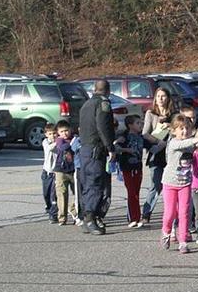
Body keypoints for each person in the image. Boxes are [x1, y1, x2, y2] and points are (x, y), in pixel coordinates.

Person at [159, 115, 198, 254]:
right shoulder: (173, 142)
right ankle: (166, 232)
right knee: (170, 212)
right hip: (170, 182)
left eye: (187, 128)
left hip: (185, 183)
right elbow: (183, 144)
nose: (184, 131)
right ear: (174, 131)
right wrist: (197, 139)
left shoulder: (191, 143)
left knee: (184, 212)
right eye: (181, 129)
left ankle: (183, 241)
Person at [79, 80, 115, 235]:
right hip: (96, 149)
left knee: (87, 184)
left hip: (85, 148)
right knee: (96, 183)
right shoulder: (103, 103)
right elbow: (102, 126)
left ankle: (87, 218)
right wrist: (110, 147)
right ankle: (90, 218)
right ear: (108, 90)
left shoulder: (86, 104)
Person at [141, 87, 175, 224]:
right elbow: (145, 133)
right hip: (156, 152)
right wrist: (158, 141)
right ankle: (146, 213)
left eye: (163, 96)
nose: (161, 99)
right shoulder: (151, 113)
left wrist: (170, 127)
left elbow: (180, 132)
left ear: (168, 98)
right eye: (158, 96)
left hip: (170, 154)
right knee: (155, 184)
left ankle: (172, 214)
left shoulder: (174, 114)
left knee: (171, 186)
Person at [115, 115, 145, 228]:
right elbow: (115, 147)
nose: (140, 125)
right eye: (138, 123)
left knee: (136, 192)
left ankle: (137, 217)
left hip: (138, 167)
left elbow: (152, 146)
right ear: (130, 125)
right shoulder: (124, 136)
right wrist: (126, 149)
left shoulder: (141, 137)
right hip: (127, 167)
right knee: (131, 192)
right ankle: (133, 217)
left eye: (141, 123)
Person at [52, 120, 77, 226]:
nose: (64, 133)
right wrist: (72, 143)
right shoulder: (59, 141)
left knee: (77, 193)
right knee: (62, 193)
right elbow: (63, 147)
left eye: (66, 131)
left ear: (70, 130)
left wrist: (75, 140)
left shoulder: (75, 138)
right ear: (58, 133)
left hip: (74, 170)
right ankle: (62, 217)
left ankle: (75, 211)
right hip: (61, 171)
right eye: (61, 131)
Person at [41, 123, 58, 224]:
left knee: (53, 195)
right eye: (50, 133)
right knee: (46, 194)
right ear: (46, 134)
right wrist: (58, 141)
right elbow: (50, 148)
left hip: (55, 172)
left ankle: (53, 214)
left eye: (54, 133)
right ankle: (48, 207)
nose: (52, 136)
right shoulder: (45, 142)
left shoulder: (60, 143)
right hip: (46, 172)